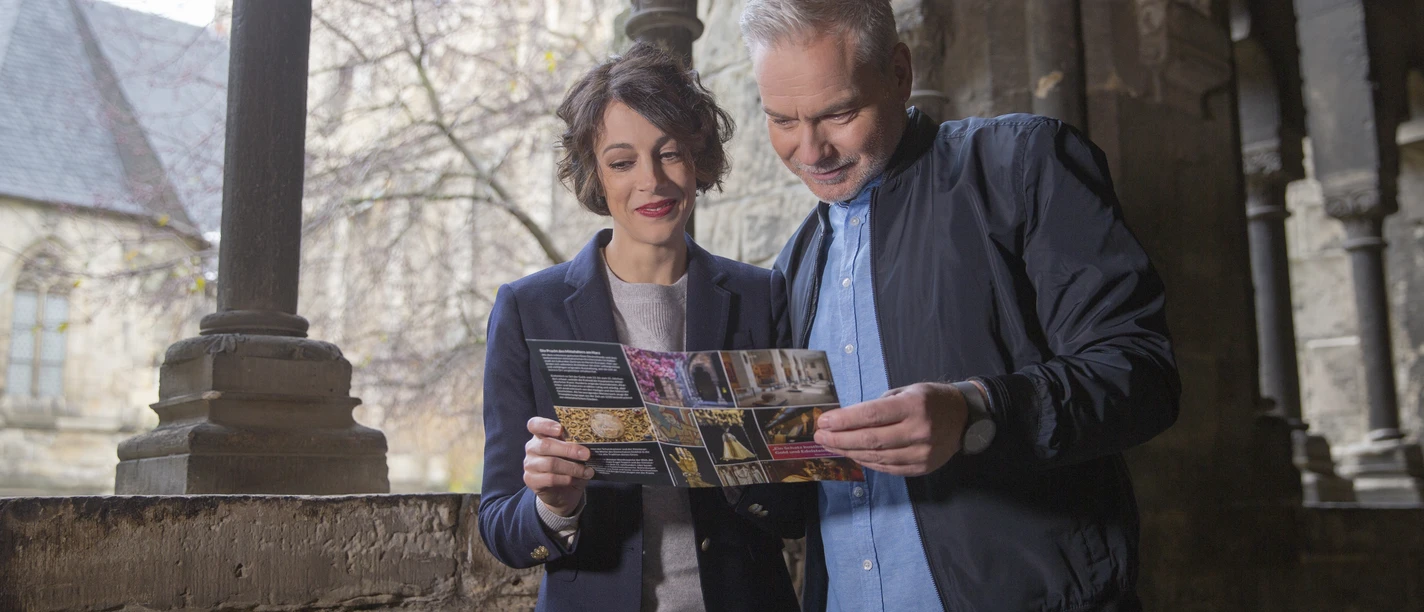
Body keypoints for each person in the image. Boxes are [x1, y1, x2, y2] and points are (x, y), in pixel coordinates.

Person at [741, 1, 1182, 610]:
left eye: (839, 113)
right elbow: (800, 493)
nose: (810, 150)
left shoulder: (1023, 164)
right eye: (782, 120)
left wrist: (976, 413)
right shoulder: (796, 264)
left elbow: (1142, 374)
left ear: (900, 72)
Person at [477, 43, 804, 611]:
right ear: (595, 176)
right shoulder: (529, 309)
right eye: (623, 161)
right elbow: (500, 528)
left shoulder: (762, 297)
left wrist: (734, 463)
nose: (652, 180)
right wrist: (554, 506)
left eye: (670, 153)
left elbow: (799, 511)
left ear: (698, 161)